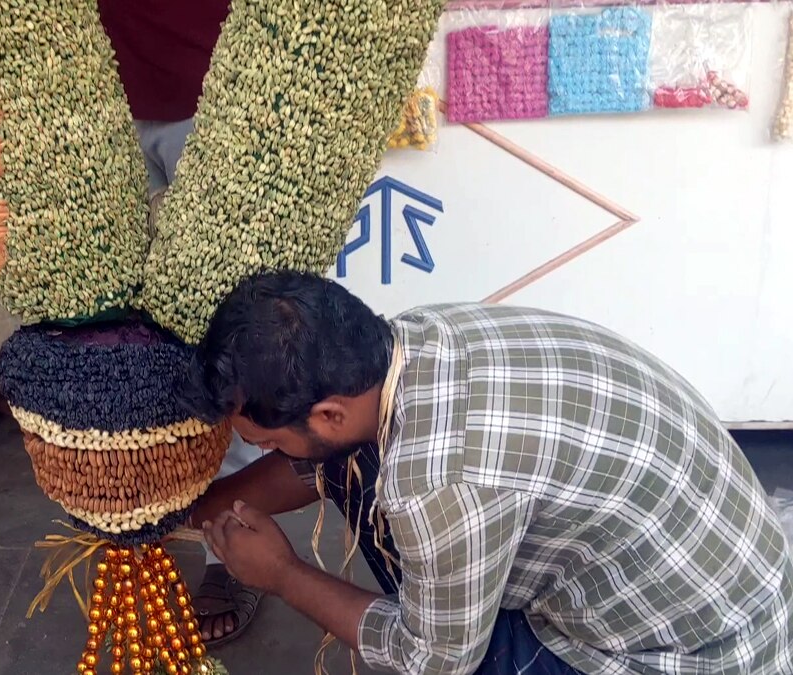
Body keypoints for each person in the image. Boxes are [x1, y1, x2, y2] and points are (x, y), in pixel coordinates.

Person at [184, 270, 793, 673]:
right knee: (352, 472)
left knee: (444, 644)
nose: (263, 453)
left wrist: (283, 574)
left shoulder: (437, 488)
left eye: (261, 441)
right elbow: (316, 457)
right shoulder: (416, 338)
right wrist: (188, 509)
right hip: (720, 567)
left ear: (329, 413)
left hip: (692, 652)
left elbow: (433, 661)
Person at [97, 0, 267, 646]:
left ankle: (235, 552)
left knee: (233, 331)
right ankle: (135, 532)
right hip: (99, 95)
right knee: (122, 336)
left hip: (216, 94)